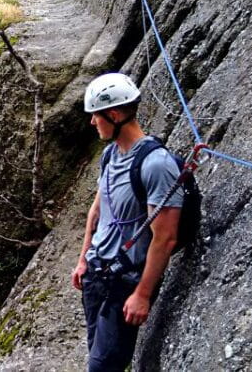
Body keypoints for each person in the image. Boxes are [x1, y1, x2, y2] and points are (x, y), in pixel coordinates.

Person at [71, 73, 183, 372]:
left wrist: (142, 294)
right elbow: (98, 210)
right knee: (97, 354)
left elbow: (166, 237)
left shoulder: (156, 165)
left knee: (102, 367)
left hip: (124, 282)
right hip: (96, 274)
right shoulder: (111, 154)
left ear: (115, 114)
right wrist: (83, 260)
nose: (92, 122)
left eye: (96, 115)